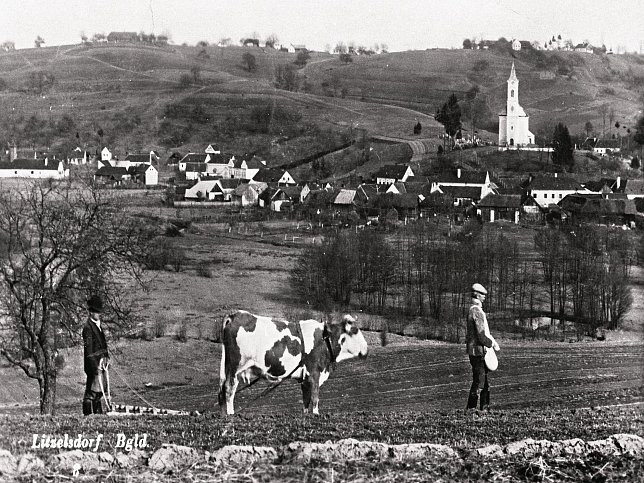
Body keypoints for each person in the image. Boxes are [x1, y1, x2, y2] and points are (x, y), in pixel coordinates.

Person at [465, 283, 500, 411]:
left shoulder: (472, 310)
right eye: (483, 295)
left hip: (475, 350)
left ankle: (484, 408)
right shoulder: (477, 312)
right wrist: (491, 344)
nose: (485, 297)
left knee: (483, 382)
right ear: (478, 296)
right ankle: (472, 408)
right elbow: (481, 334)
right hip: (478, 351)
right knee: (479, 382)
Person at [82, 295, 109, 415]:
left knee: (99, 391)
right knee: (91, 392)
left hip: (101, 364)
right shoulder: (88, 328)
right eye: (96, 312)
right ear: (91, 312)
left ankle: (98, 414)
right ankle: (87, 416)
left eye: (99, 312)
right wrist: (95, 368)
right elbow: (89, 351)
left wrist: (106, 357)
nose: (99, 314)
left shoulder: (98, 326)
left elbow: (103, 345)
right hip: (93, 366)